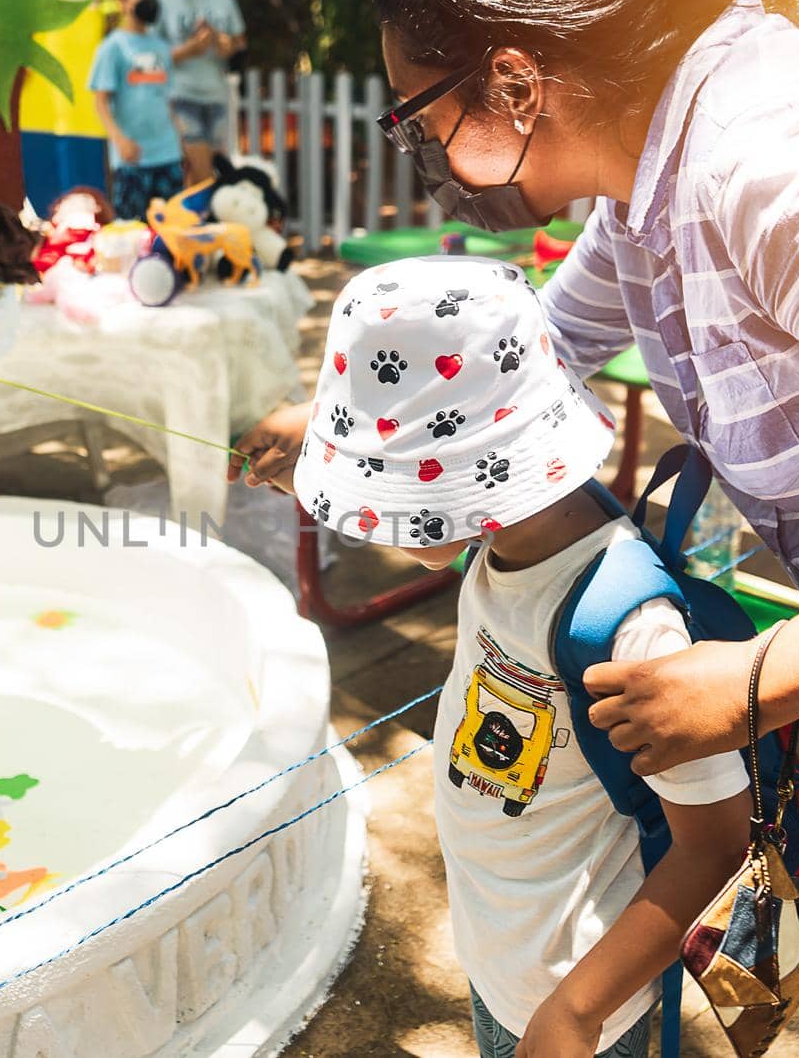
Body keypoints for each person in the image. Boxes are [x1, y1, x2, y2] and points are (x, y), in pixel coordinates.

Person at [233, 0, 799, 1053]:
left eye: (418, 111)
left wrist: (756, 678)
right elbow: (527, 355)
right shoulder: (650, 192)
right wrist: (351, 429)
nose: (419, 141)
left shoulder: (776, 159)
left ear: (516, 81)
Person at [284, 255, 751, 1058]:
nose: (371, 523)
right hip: (504, 952)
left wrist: (576, 1010)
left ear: (467, 484)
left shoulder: (628, 625)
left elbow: (714, 840)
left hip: (577, 998)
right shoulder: (499, 547)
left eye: (391, 492)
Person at [88, 0, 183, 221]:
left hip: (168, 154)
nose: (150, 0)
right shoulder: (112, 47)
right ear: (123, 1)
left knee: (172, 230)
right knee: (131, 233)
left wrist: (180, 138)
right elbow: (100, 101)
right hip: (132, 159)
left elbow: (166, 98)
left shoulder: (161, 47)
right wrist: (119, 140)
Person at [153, 0, 245, 184]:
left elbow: (239, 41)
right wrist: (189, 50)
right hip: (180, 94)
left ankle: (191, 213)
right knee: (202, 169)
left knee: (202, 173)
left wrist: (223, 42)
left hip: (216, 94)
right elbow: (151, 53)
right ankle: (207, 210)